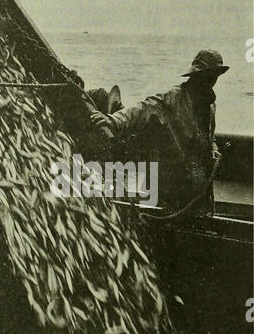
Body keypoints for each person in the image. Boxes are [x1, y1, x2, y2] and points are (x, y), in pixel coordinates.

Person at [89, 50, 230, 216]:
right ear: (196, 75)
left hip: (198, 185)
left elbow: (209, 134)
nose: (211, 81)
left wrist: (212, 146)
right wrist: (114, 121)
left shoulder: (209, 103)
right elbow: (142, 109)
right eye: (208, 76)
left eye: (215, 76)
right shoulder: (172, 98)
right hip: (173, 183)